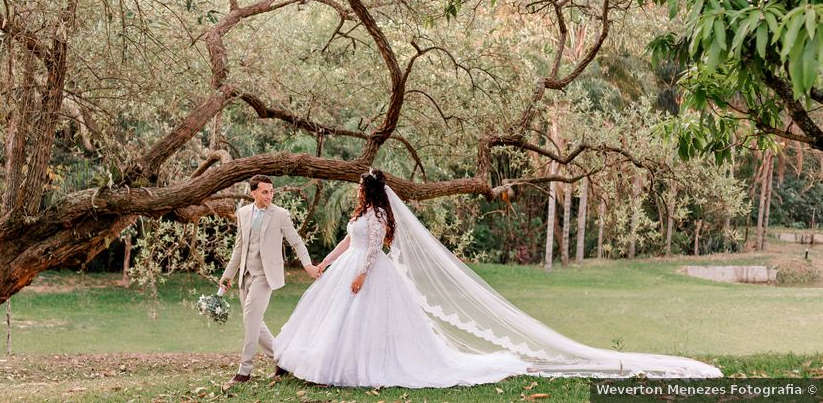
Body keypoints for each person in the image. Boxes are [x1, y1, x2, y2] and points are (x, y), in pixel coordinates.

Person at [273, 169, 721, 388]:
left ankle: (363, 370)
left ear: (367, 192)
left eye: (359, 187)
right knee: (341, 324)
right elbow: (348, 245)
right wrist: (325, 265)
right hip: (350, 272)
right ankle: (338, 366)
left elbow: (371, 249)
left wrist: (359, 278)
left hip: (368, 276)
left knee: (369, 326)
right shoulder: (361, 214)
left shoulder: (374, 214)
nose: (357, 191)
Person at [219, 174, 320, 387]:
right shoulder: (243, 213)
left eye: (271, 191)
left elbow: (296, 241)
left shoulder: (280, 215)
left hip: (266, 275)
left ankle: (244, 370)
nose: (269, 195)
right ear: (253, 192)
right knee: (253, 322)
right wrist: (227, 275)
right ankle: (282, 359)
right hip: (245, 275)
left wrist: (308, 265)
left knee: (251, 318)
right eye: (265, 191)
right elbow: (239, 247)